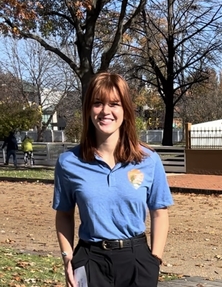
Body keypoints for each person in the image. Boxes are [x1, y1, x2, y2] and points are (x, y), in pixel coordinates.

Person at [52, 72, 173, 287]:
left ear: (125, 110)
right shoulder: (69, 162)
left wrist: (155, 260)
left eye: (114, 104)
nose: (105, 111)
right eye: (97, 103)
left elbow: (159, 211)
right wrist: (67, 257)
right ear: (89, 109)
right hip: (90, 259)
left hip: (137, 260)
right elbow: (64, 214)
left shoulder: (148, 160)